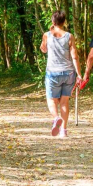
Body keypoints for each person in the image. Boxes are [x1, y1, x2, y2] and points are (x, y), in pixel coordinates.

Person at [40, 10, 82, 138]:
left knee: (51, 100)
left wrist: (47, 34)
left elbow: (43, 50)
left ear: (53, 22)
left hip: (53, 72)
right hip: (68, 73)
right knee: (64, 102)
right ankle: (63, 130)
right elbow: (74, 56)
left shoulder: (47, 35)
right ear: (64, 22)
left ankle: (56, 117)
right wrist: (79, 74)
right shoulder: (69, 36)